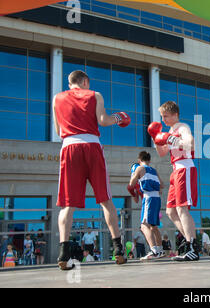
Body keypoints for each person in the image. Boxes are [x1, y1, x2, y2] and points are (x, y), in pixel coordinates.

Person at [53, 70, 129, 270]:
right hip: (91, 146)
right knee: (105, 199)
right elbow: (103, 120)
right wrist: (119, 117)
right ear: (85, 81)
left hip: (68, 147)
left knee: (67, 205)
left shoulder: (57, 98)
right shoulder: (94, 94)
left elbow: (58, 130)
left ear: (70, 83)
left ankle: (63, 253)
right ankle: (118, 249)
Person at [148, 101, 199, 261]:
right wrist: (156, 139)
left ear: (175, 114)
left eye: (166, 116)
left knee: (182, 208)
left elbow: (190, 143)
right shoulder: (170, 131)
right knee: (171, 211)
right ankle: (191, 243)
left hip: (185, 168)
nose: (163, 119)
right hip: (175, 171)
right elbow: (162, 153)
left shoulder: (182, 127)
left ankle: (192, 247)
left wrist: (171, 139)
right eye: (162, 116)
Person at [128, 151, 165, 261]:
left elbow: (131, 184)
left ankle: (153, 251)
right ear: (149, 160)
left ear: (139, 160)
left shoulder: (139, 168)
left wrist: (134, 174)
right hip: (157, 198)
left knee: (144, 226)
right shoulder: (154, 170)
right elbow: (162, 185)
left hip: (148, 197)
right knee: (153, 226)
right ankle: (160, 250)